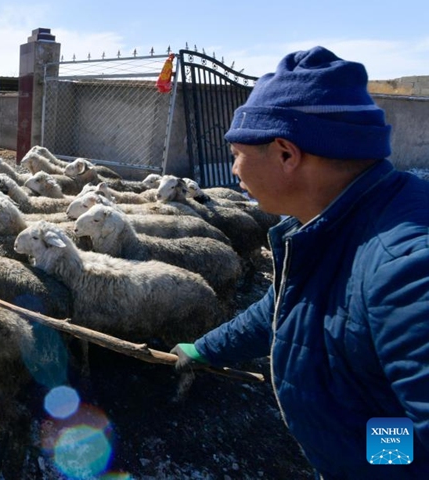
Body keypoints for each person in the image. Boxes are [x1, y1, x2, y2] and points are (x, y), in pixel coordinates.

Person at [170, 46, 429, 479]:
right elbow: (284, 305)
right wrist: (207, 349)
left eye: (237, 153)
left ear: (287, 154)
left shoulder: (404, 271)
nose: (234, 169)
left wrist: (370, 455)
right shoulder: (333, 223)